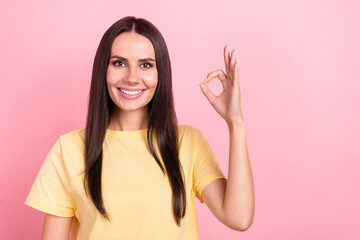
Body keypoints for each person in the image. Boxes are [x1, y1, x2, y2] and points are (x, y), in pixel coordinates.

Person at [24, 16, 254, 239]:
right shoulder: (69, 149)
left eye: (145, 65)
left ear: (160, 74)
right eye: (119, 63)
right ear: (103, 71)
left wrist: (236, 123)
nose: (132, 78)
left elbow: (239, 218)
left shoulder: (188, 142)